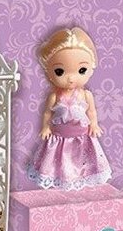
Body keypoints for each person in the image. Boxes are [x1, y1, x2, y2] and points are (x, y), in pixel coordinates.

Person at [27, 27, 112, 191]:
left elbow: (91, 111)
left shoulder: (85, 95)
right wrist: (45, 127)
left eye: (81, 70)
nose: (71, 78)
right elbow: (47, 113)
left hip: (82, 137)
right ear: (49, 72)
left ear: (91, 69)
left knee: (82, 160)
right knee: (59, 161)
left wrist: (94, 124)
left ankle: (81, 179)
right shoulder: (54, 96)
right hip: (59, 137)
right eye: (60, 71)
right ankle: (62, 180)